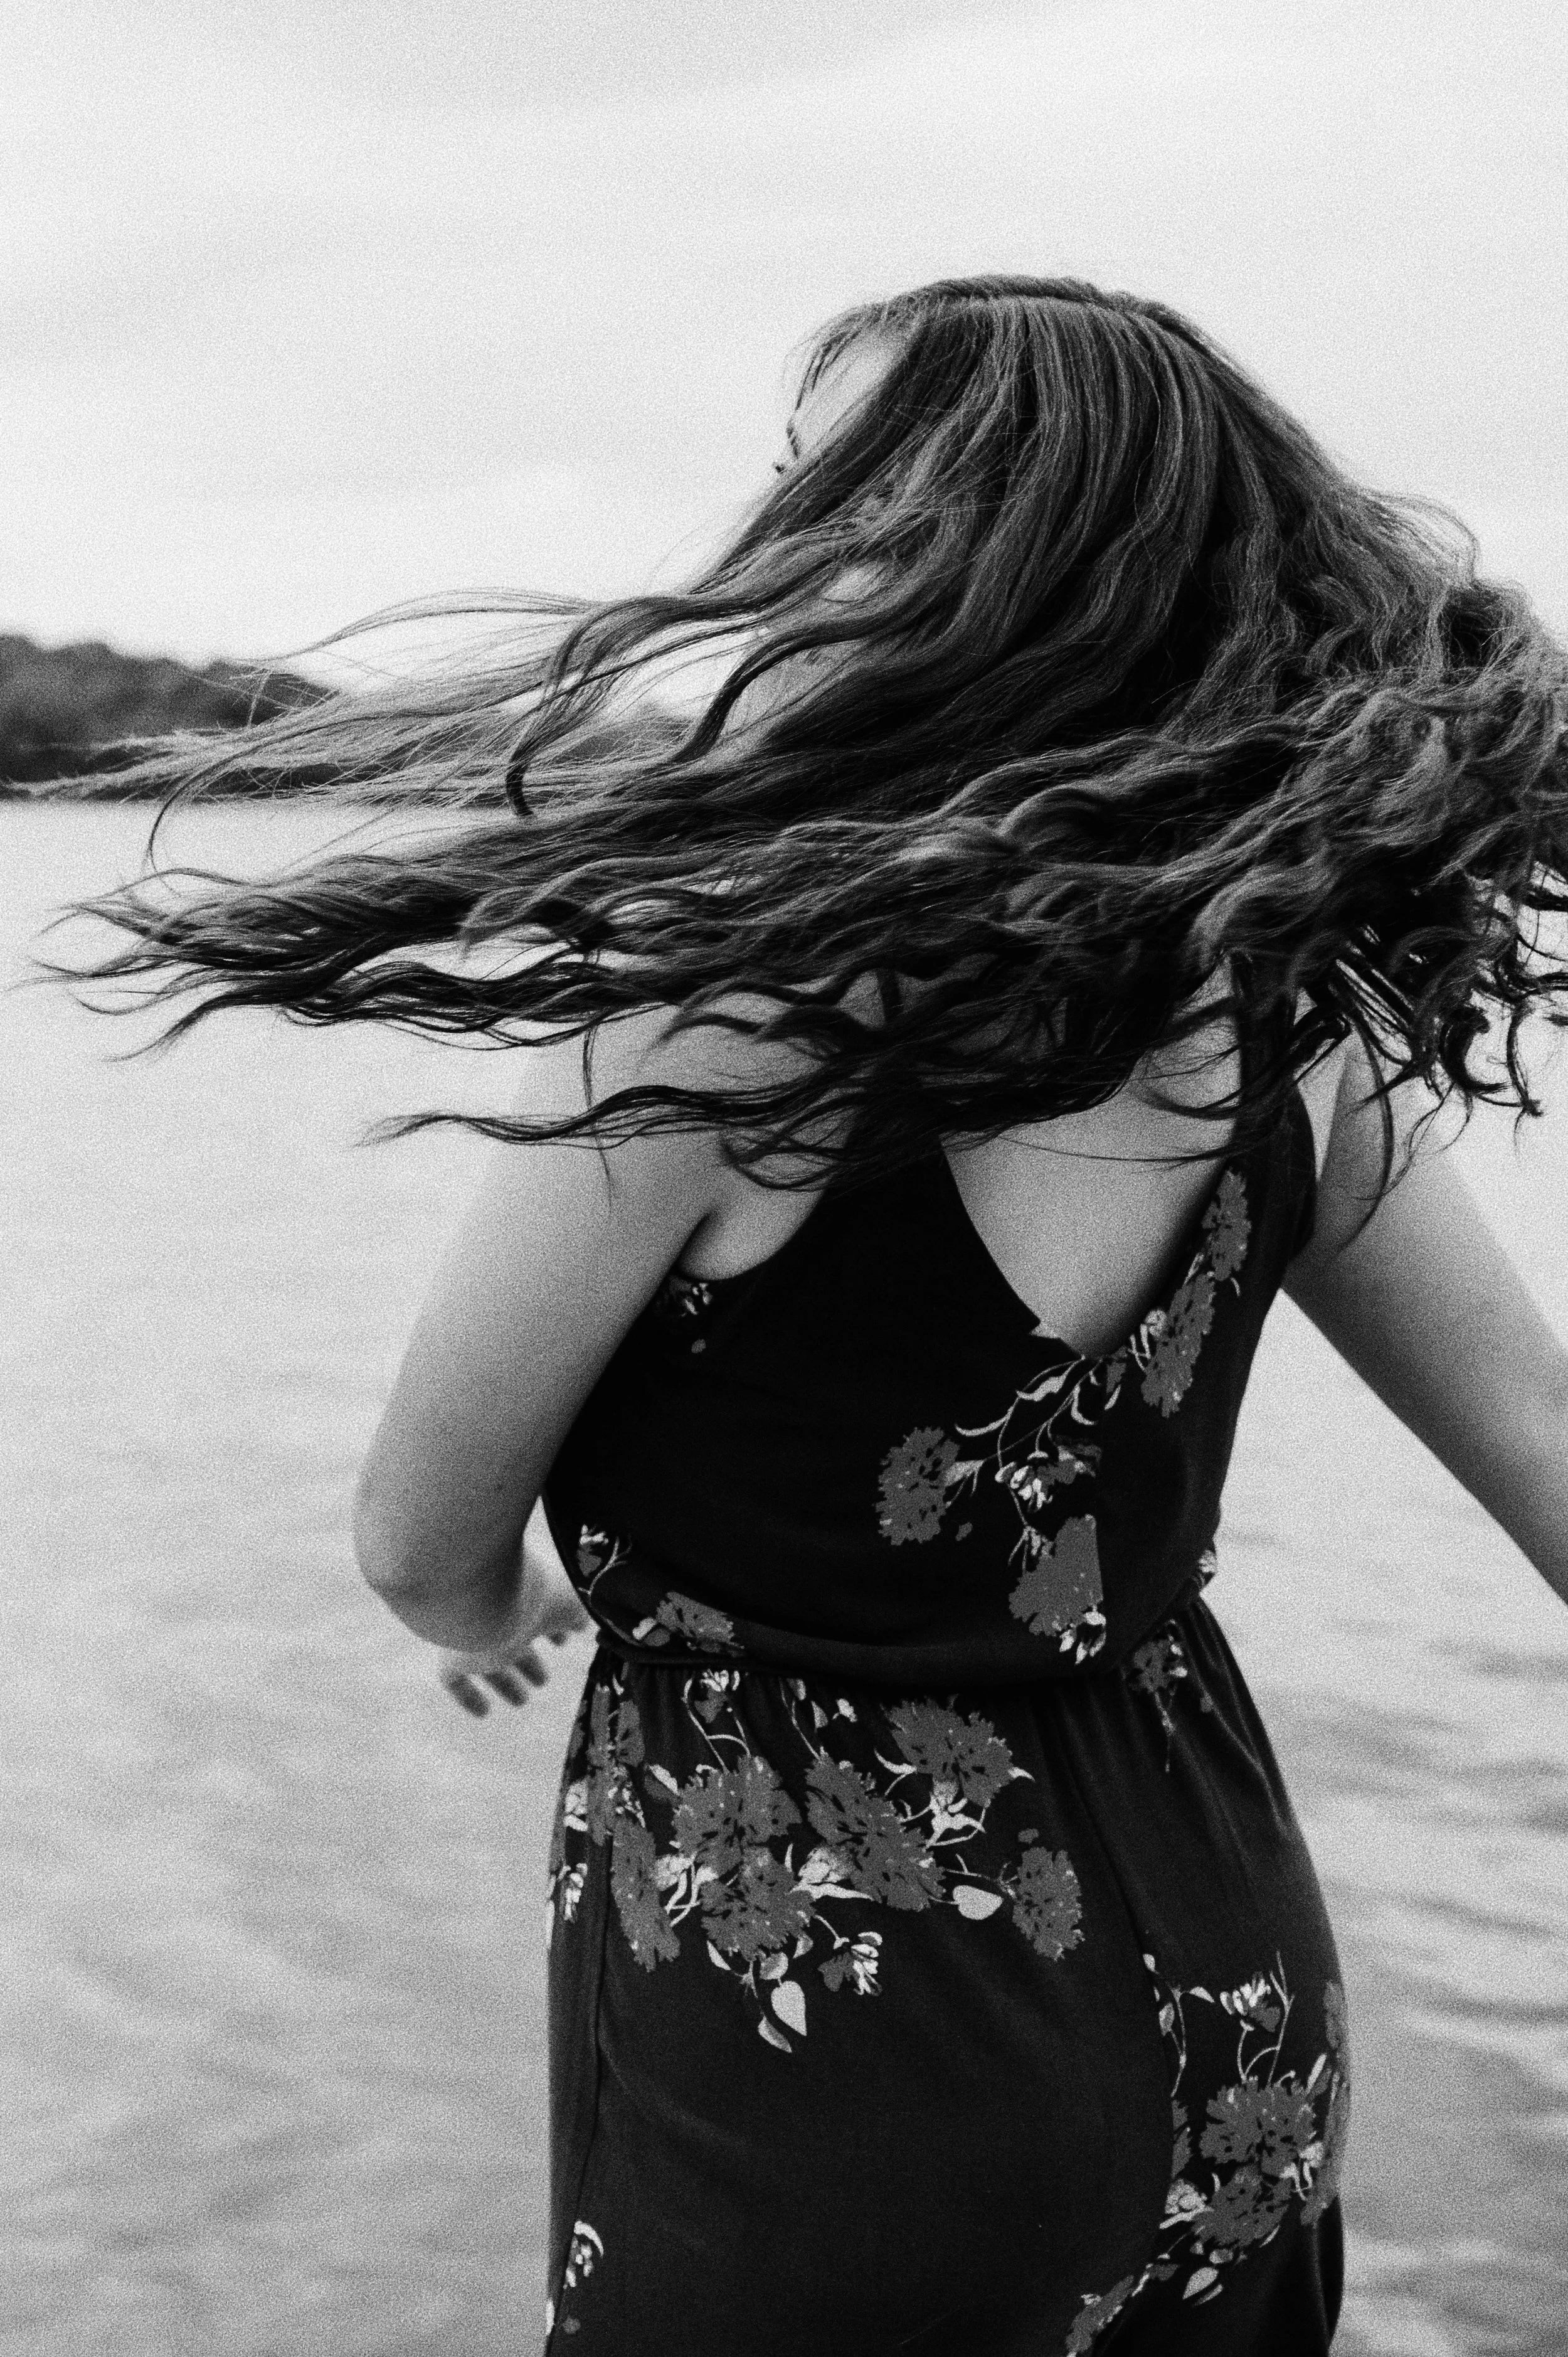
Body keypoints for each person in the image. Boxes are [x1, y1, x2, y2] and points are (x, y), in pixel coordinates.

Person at [58, 275, 1568, 2354]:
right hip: (1225, 2009)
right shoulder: (1291, 994)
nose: (770, 524)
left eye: (815, 472)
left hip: (839, 2027)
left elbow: (416, 1526)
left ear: (944, 546)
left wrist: (492, 1609)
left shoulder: (724, 996)